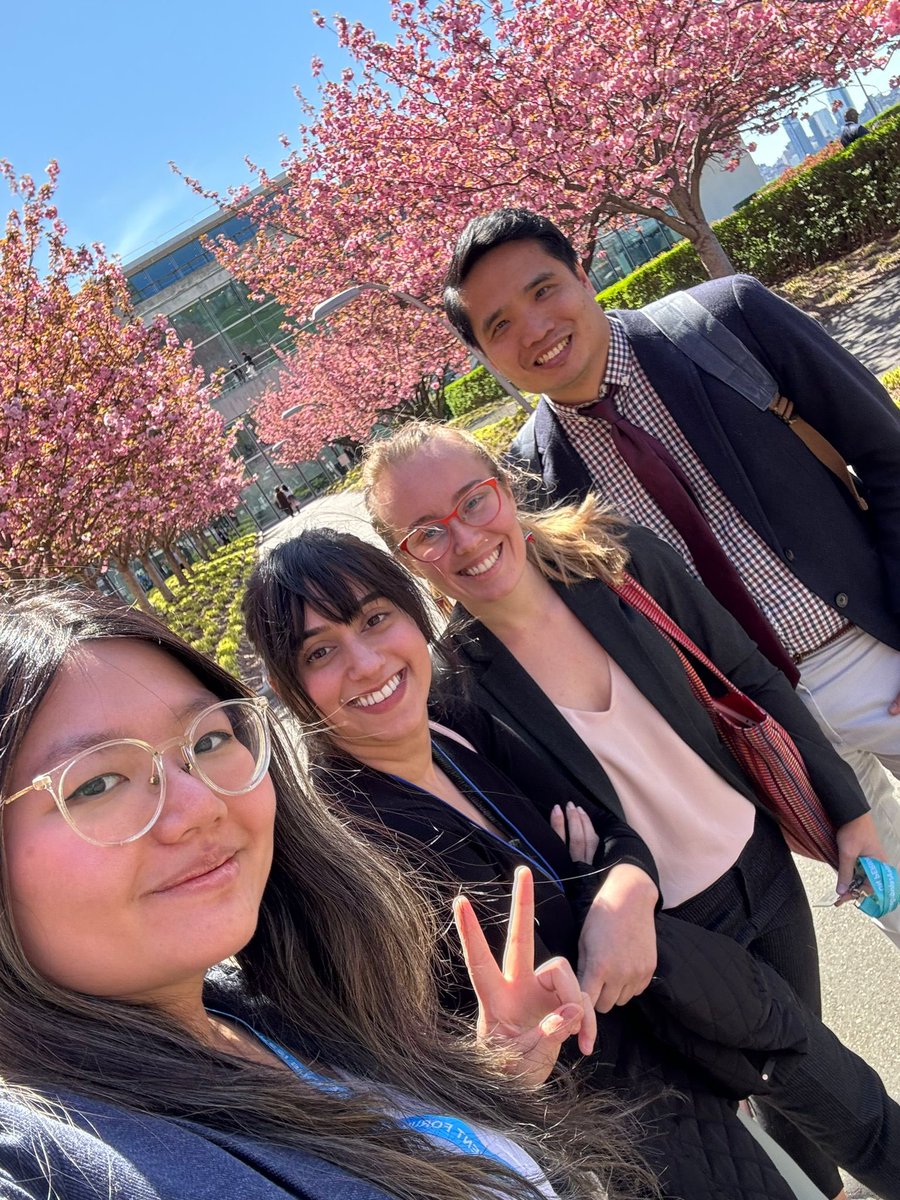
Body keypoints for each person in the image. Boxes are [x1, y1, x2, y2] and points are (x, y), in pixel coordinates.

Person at [245, 523, 900, 1200]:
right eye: (321, 652)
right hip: (621, 1107)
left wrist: (618, 887)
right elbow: (386, 1054)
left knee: (869, 1120)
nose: (365, 662)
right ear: (286, 685)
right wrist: (488, 1062)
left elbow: (614, 832)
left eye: (376, 618)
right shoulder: (343, 848)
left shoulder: (456, 725)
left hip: (693, 985)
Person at [0, 583, 648, 1200]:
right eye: (96, 784)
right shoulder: (48, 1158)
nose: (200, 805)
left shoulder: (265, 1006)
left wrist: (480, 1082)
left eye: (210, 739)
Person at [439, 207, 900, 892]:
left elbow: (886, 455)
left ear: (583, 273)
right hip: (774, 728)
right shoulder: (534, 484)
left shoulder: (728, 323)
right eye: (500, 324)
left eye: (543, 290)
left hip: (873, 644)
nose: (534, 329)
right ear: (483, 354)